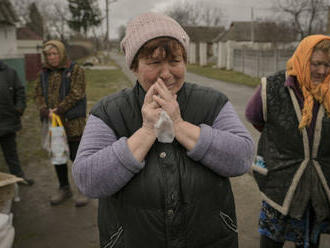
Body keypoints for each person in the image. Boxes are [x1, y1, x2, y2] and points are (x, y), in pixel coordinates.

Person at [73, 12, 254, 248]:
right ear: (134, 66)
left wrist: (178, 124)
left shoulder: (212, 103)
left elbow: (242, 157)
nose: (166, 73)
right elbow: (88, 180)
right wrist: (148, 130)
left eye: (175, 61)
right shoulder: (109, 111)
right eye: (154, 62)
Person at [245, 35, 330, 248]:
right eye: (316, 63)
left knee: (310, 240)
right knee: (272, 240)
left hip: (317, 184)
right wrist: (281, 140)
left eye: (327, 65)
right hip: (280, 182)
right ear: (303, 59)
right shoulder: (273, 87)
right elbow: (254, 116)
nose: (322, 71)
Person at [34, 40, 88, 207]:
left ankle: (83, 189)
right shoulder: (43, 73)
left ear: (62, 53)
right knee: (58, 156)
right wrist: (44, 109)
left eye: (55, 53)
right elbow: (37, 94)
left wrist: (57, 110)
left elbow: (77, 93)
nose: (52, 57)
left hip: (72, 123)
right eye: (48, 55)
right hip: (54, 124)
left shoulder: (76, 70)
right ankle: (64, 188)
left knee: (75, 156)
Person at [0, 60, 34, 186]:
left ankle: (18, 178)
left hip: (7, 122)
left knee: (11, 155)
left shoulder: (10, 72)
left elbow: (20, 91)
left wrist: (19, 108)